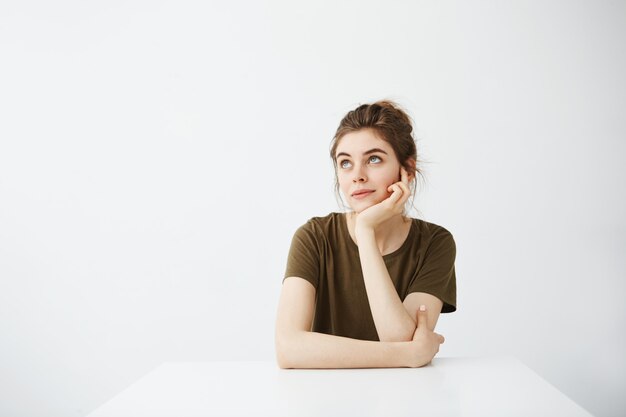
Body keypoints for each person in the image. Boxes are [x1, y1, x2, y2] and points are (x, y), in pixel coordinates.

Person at [275, 100, 457, 369]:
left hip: (402, 400)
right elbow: (288, 350)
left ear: (407, 170)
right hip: (321, 398)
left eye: (373, 159)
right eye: (345, 163)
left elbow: (398, 338)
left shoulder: (434, 242)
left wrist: (366, 231)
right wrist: (409, 354)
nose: (357, 175)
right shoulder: (313, 237)